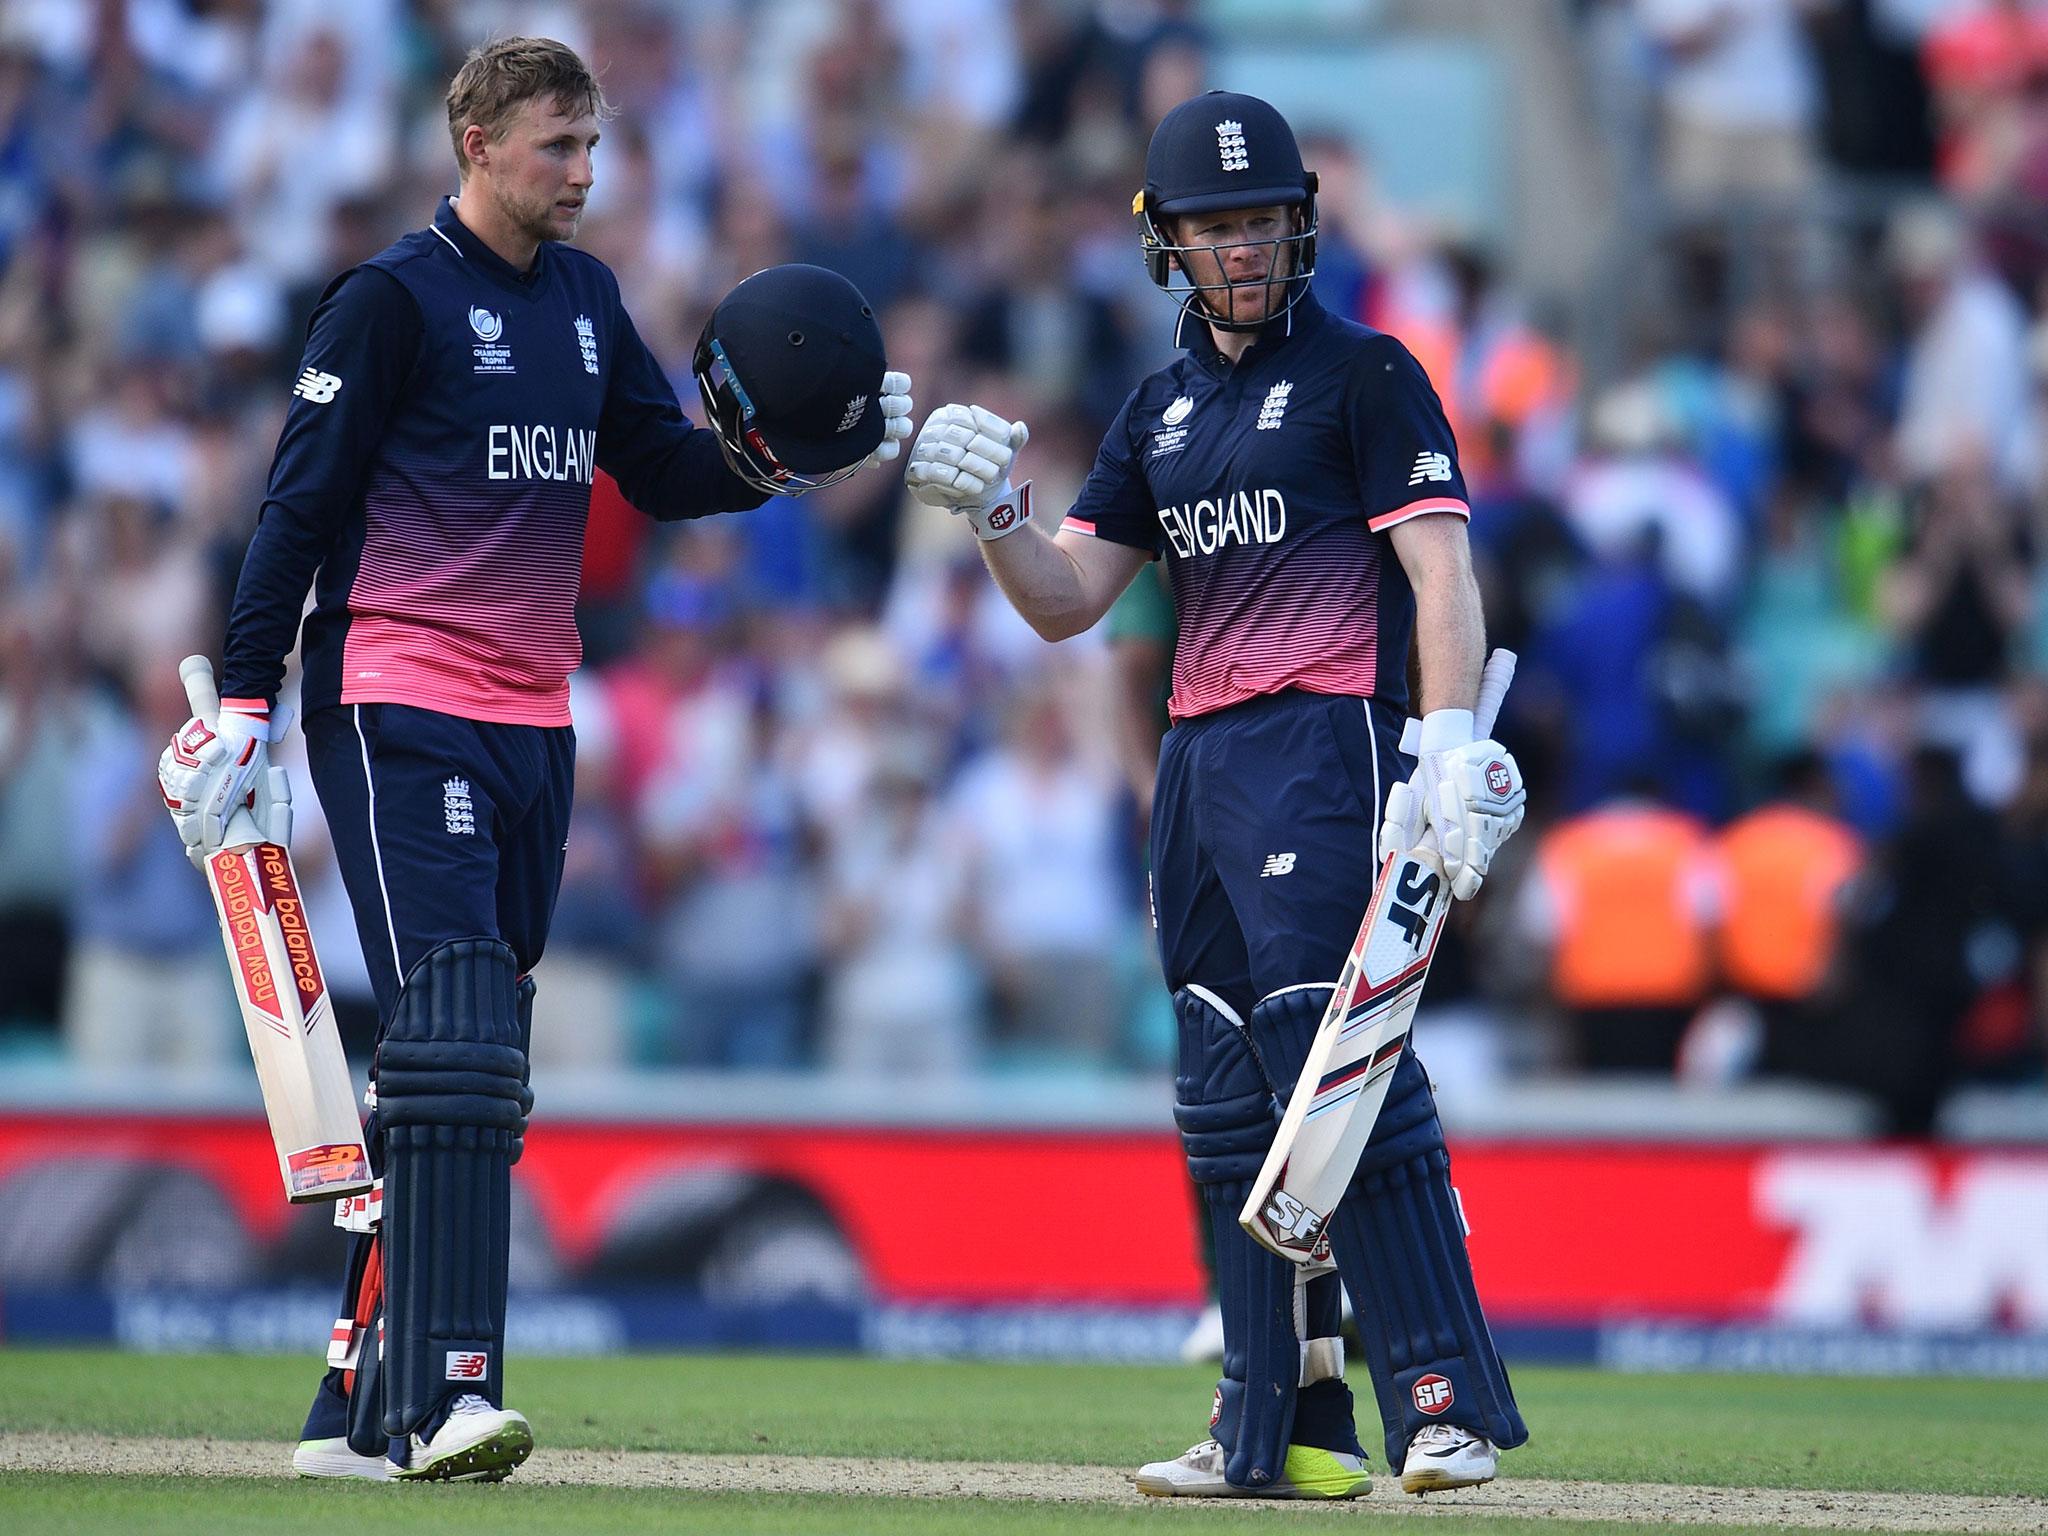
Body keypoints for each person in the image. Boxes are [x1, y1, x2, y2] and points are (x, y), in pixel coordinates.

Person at [155, 36, 911, 1483]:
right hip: (394, 698)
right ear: (480, 142)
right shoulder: (387, 302)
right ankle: (450, 1392)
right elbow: (295, 507)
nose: (583, 173)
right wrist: (246, 701)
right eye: (558, 146)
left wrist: (798, 455)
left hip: (533, 720)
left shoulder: (585, 300)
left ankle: (354, 1413)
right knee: (452, 1038)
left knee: (465, 1070)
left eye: (594, 147)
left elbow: (664, 468)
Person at [905, 91, 1528, 1499]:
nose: (1243, 249)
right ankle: (1277, 1435)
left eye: (1261, 221)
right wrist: (1001, 514)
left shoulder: (1371, 374)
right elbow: (1070, 603)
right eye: (1214, 227)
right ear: (1167, 244)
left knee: (1339, 1057)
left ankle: (1442, 1403)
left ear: (1298, 223)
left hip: (1326, 736)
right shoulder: (1158, 408)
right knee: (1220, 1090)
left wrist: (1438, 740)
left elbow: (1440, 569)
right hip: (1197, 759)